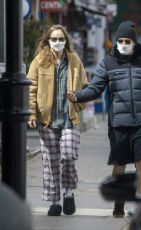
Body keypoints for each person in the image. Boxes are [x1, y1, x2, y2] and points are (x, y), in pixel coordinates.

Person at [67, 20, 141, 217]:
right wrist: (77, 95)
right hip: (119, 124)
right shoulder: (108, 63)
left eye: (127, 40)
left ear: (134, 42)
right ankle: (119, 205)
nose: (123, 43)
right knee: (119, 165)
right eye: (120, 40)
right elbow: (95, 88)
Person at [27, 25, 88, 216]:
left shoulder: (74, 60)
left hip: (70, 118)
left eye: (61, 39)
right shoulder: (39, 61)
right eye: (54, 39)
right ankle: (55, 202)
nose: (58, 42)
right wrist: (31, 113)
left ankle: (68, 192)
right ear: (47, 41)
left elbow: (85, 87)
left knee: (68, 156)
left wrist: (77, 100)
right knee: (50, 162)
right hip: (47, 120)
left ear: (66, 41)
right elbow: (30, 89)